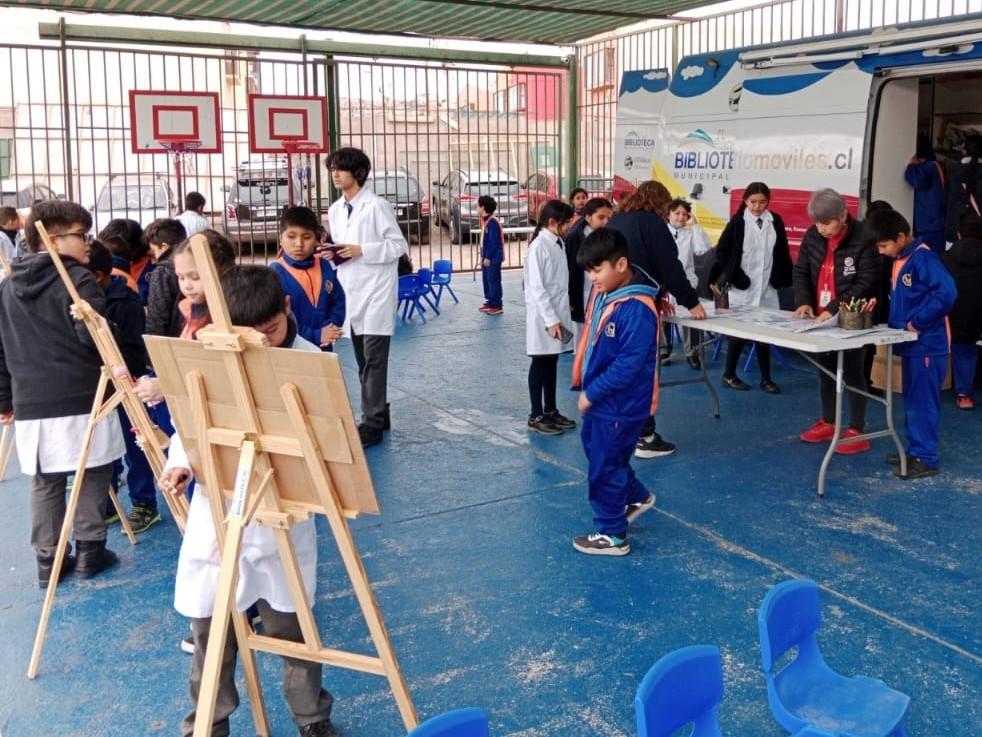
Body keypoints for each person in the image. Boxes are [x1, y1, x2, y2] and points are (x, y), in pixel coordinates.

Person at [160, 265, 338, 737]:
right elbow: (188, 424)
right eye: (249, 334)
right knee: (211, 630)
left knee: (291, 626)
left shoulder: (309, 361)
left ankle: (311, 716)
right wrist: (180, 462)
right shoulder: (207, 357)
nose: (262, 342)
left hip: (284, 510)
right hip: (221, 509)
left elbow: (334, 439)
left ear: (285, 308)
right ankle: (207, 722)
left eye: (271, 332)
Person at [0, 200, 124, 587]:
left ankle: (47, 558)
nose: (88, 243)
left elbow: (0, 348)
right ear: (53, 239)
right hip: (81, 392)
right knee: (92, 469)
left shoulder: (8, 284)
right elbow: (94, 341)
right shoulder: (77, 279)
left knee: (45, 478)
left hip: (32, 399)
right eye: (81, 235)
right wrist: (103, 327)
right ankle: (90, 548)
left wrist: (5, 399)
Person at [570, 227, 659, 556]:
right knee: (600, 453)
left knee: (605, 465)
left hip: (618, 406)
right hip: (605, 403)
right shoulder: (612, 296)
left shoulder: (635, 308)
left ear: (621, 264)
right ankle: (635, 496)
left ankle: (612, 534)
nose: (593, 277)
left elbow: (627, 366)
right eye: (589, 271)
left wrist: (592, 394)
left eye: (598, 269)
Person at [608, 180, 707, 459]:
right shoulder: (651, 223)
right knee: (641, 372)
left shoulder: (618, 220)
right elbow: (670, 267)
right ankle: (644, 437)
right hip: (639, 304)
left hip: (614, 303)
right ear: (659, 203)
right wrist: (691, 302)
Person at [866, 206, 957, 479]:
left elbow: (948, 293)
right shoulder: (901, 258)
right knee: (913, 400)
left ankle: (925, 457)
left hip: (927, 345)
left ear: (901, 236)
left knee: (923, 403)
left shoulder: (924, 259)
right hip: (912, 344)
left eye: (884, 245)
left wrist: (917, 322)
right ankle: (915, 449)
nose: (881, 251)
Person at [325, 147, 407, 448]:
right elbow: (341, 250)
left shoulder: (377, 206)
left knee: (373, 360)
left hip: (376, 293)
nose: (335, 173)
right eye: (332, 168)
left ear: (357, 172)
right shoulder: (335, 210)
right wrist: (332, 254)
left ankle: (371, 423)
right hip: (351, 292)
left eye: (341, 168)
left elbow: (398, 245)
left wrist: (363, 249)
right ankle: (381, 412)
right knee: (362, 361)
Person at [792, 188, 880, 454]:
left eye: (827, 222)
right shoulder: (812, 235)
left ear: (843, 215)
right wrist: (804, 301)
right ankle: (829, 421)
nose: (822, 229)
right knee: (825, 370)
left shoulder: (864, 237)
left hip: (852, 317)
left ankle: (856, 429)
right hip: (820, 318)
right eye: (817, 223)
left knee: (853, 372)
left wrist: (833, 308)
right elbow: (801, 270)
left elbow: (866, 281)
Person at [87, 242, 160, 532]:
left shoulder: (124, 302)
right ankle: (108, 503)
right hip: (98, 386)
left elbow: (134, 350)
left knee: (136, 445)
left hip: (127, 383)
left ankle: (144, 502)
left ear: (97, 276)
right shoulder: (86, 302)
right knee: (104, 446)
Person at [712, 181, 792, 393]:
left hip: (766, 288)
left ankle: (766, 378)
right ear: (746, 201)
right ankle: (729, 374)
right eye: (753, 202)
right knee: (740, 333)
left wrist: (780, 277)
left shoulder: (775, 221)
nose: (757, 206)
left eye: (762, 202)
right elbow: (721, 252)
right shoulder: (738, 223)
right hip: (743, 289)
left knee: (764, 334)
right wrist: (737, 277)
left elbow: (782, 252)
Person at [524, 199, 576, 436]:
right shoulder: (538, 247)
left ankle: (550, 409)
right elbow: (537, 288)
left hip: (557, 312)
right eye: (567, 223)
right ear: (553, 222)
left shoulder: (557, 243)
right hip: (544, 317)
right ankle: (535, 415)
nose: (569, 228)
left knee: (552, 362)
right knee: (540, 362)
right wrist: (551, 319)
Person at [270, 206, 346, 351]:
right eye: (291, 237)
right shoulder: (274, 274)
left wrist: (332, 327)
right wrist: (316, 335)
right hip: (294, 350)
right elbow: (277, 322)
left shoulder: (325, 266)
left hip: (325, 346)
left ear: (316, 240)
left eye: (306, 237)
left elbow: (338, 300)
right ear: (281, 239)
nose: (299, 244)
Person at [942, 209, 982, 409]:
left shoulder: (944, 259)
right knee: (967, 350)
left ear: (958, 234)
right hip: (977, 314)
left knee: (957, 348)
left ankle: (958, 392)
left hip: (951, 314)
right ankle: (964, 392)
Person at [665, 198, 712, 370]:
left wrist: (696, 226)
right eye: (676, 213)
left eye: (685, 214)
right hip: (665, 282)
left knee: (691, 317)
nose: (681, 217)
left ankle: (692, 353)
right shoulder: (661, 231)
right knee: (664, 317)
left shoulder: (690, 233)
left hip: (686, 282)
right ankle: (664, 350)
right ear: (668, 213)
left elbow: (702, 249)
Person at [565, 197, 614, 342]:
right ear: (587, 217)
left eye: (609, 218)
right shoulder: (575, 237)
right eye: (601, 217)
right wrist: (571, 297)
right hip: (582, 293)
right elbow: (571, 269)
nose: (606, 222)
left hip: (605, 292)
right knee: (583, 339)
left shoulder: (611, 237)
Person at [145, 218, 188, 337]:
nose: (153, 261)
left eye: (153, 252)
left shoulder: (163, 271)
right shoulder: (193, 262)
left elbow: (156, 319)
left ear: (163, 246)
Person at [904, 136, 946, 253]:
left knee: (929, 256)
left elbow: (916, 180)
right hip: (935, 222)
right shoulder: (935, 165)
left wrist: (911, 165)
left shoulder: (928, 166)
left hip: (929, 224)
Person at [945, 134, 982, 245]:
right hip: (979, 233)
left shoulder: (954, 171)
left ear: (964, 151)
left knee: (952, 261)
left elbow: (944, 201)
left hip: (955, 230)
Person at [478, 195, 504, 315]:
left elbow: (493, 242)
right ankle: (491, 301)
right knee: (487, 279)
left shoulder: (493, 222)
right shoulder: (486, 220)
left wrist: (488, 257)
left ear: (483, 207)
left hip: (493, 258)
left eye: (478, 205)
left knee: (493, 280)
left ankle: (497, 304)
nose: (477, 208)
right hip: (487, 256)